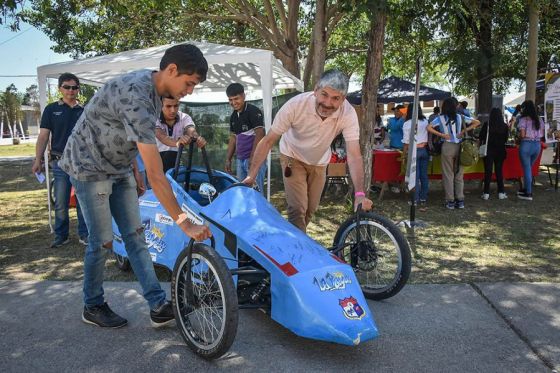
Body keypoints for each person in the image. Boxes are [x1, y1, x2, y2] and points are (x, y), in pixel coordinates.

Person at [58, 44, 212, 328]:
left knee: (136, 236)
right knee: (102, 240)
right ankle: (92, 305)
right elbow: (156, 173)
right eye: (189, 83)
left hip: (118, 167)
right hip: (89, 167)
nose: (189, 91)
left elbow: (127, 136)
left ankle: (157, 305)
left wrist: (132, 173)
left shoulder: (156, 89)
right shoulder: (137, 95)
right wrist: (183, 222)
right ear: (172, 70)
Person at [241, 69, 373, 232]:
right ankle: (298, 253)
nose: (327, 103)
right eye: (324, 94)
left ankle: (293, 241)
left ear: (343, 99)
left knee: (310, 210)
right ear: (316, 90)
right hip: (292, 157)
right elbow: (268, 140)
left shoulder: (348, 113)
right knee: (298, 210)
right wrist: (251, 175)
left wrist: (360, 194)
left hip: (319, 162)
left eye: (335, 98)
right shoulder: (295, 105)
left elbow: (354, 155)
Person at [32, 73, 88, 248]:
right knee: (61, 202)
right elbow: (43, 136)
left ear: (78, 89)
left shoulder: (86, 110)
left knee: (83, 201)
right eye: (67, 87)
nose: (71, 90)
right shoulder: (51, 109)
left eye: (74, 87)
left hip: (81, 163)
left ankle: (84, 234)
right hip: (59, 162)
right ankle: (61, 235)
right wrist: (37, 160)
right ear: (60, 89)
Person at [427, 97, 480, 209]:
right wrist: (463, 131)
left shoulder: (440, 118)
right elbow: (477, 122)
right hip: (460, 147)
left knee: (448, 175)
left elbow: (429, 127)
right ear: (455, 106)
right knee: (459, 175)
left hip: (447, 146)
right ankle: (460, 200)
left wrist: (442, 135)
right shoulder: (461, 117)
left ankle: (450, 201)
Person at [225, 83, 267, 193]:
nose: (233, 102)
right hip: (240, 160)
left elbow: (260, 133)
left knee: (256, 192)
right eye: (230, 100)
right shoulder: (234, 116)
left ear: (243, 96)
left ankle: (260, 211)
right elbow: (233, 138)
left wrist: (253, 157)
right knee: (242, 191)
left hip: (254, 159)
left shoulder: (253, 111)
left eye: (236, 98)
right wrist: (228, 159)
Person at [155, 97, 206, 173]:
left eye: (176, 106)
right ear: (160, 106)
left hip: (176, 161)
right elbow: (161, 136)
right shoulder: (154, 118)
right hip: (155, 161)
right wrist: (177, 142)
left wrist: (197, 138)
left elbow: (190, 130)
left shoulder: (184, 117)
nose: (173, 110)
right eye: (168, 106)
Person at [516, 100, 544, 201]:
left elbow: (522, 135)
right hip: (537, 145)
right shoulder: (539, 120)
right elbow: (542, 134)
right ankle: (526, 189)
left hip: (526, 145)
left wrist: (518, 136)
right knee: (529, 169)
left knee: (527, 169)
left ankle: (528, 193)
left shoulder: (523, 119)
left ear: (525, 108)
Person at [402, 104, 429, 205]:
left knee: (415, 176)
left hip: (414, 150)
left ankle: (415, 199)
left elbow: (406, 142)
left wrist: (404, 154)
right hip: (424, 150)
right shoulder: (425, 121)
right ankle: (423, 198)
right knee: (423, 176)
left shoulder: (407, 123)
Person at [480, 108, 509, 200]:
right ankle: (501, 192)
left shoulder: (487, 125)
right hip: (500, 150)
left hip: (488, 150)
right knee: (499, 171)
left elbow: (481, 136)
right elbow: (506, 139)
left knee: (488, 172)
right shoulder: (504, 126)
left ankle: (486, 193)